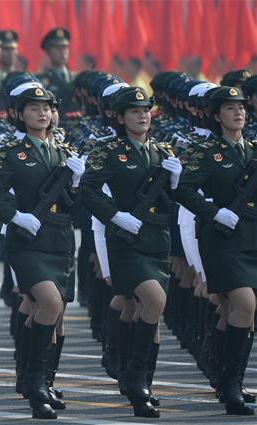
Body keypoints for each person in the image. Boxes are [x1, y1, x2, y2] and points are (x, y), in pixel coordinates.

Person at [0, 86, 85, 419]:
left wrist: (80, 185)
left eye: (48, 108)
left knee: (55, 313)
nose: (43, 114)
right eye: (34, 108)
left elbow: (79, 209)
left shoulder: (66, 151)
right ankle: (36, 383)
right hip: (26, 241)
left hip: (59, 241)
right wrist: (14, 215)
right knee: (49, 304)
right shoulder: (10, 150)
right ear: (19, 114)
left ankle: (38, 379)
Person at [80, 86, 183, 417]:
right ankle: (135, 378)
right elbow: (89, 191)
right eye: (134, 111)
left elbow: (175, 200)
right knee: (153, 302)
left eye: (145, 110)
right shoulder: (107, 151)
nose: (142, 116)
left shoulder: (163, 152)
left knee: (145, 313)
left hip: (157, 241)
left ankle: (139, 380)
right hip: (125, 242)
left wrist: (178, 183)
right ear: (120, 117)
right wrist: (115, 215)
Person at [175, 86, 256, 416]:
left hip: (251, 237)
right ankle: (231, 383)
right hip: (220, 239)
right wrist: (213, 211)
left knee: (240, 311)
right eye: (229, 108)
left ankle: (228, 379)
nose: (238, 112)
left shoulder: (251, 150)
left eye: (240, 107)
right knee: (244, 304)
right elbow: (182, 189)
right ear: (216, 115)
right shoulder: (205, 151)